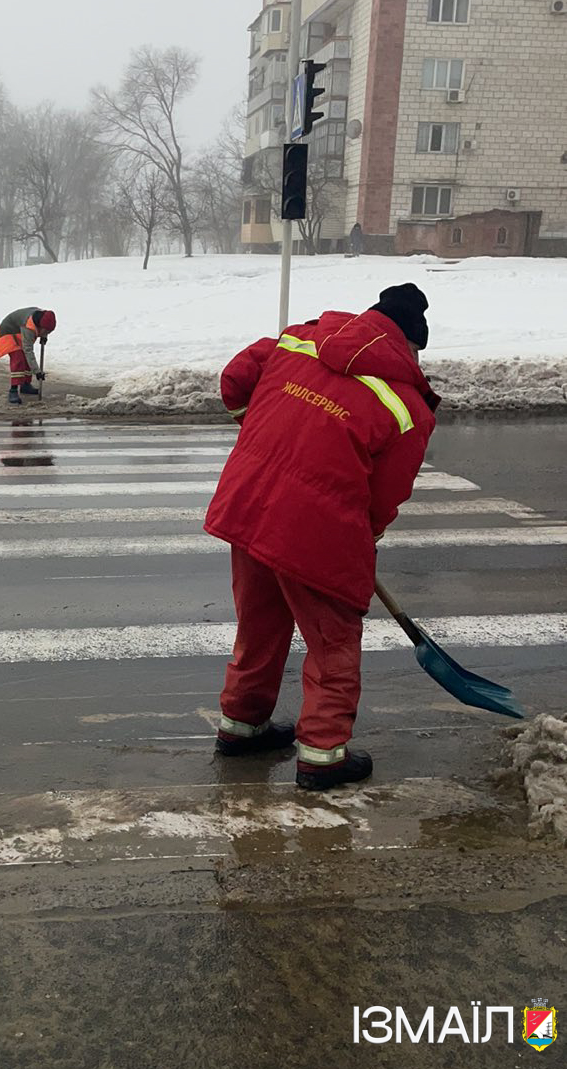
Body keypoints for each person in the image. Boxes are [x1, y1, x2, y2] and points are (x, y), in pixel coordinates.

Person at [204, 284, 440, 791]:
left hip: (249, 503)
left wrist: (258, 430)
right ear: (409, 344)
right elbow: (383, 498)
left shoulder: (299, 341)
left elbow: (235, 379)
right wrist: (365, 537)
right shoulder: (407, 408)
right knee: (333, 642)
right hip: (316, 530)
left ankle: (242, 726)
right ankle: (323, 755)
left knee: (260, 621)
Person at [0, 307, 57, 405]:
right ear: (40, 326)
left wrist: (44, 336)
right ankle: (13, 390)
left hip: (19, 332)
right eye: (45, 331)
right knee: (19, 359)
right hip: (7, 333)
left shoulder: (42, 317)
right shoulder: (29, 326)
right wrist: (37, 372)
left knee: (27, 359)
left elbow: (45, 326)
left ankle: (25, 385)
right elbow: (28, 351)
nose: (46, 333)